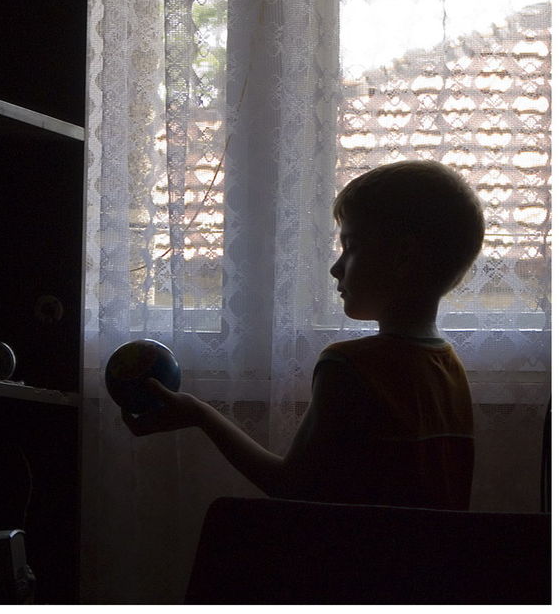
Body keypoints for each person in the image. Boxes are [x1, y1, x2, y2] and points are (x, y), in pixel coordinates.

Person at [124, 160, 484, 510]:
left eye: (351, 246)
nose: (336, 268)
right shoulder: (450, 370)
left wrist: (201, 415)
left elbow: (290, 487)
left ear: (403, 256)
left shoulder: (349, 367)